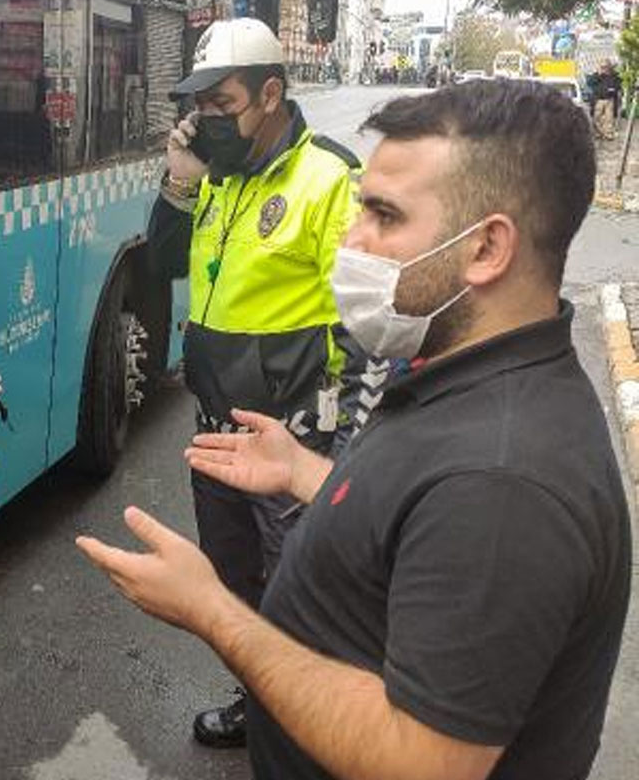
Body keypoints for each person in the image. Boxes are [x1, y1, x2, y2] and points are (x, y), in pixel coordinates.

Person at [80, 78, 629, 780]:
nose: (351, 239)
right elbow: (412, 525)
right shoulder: (457, 369)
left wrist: (215, 612)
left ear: (487, 249)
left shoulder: (501, 484)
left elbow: (420, 761)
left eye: (383, 216)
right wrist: (305, 472)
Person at [146, 17, 365, 748]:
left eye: (222, 104)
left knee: (298, 589)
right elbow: (163, 266)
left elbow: (369, 324)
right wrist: (178, 186)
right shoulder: (215, 177)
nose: (207, 120)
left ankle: (309, 729)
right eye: (198, 107)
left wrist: (347, 444)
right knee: (235, 579)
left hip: (289, 435)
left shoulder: (328, 178)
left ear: (271, 93)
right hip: (215, 427)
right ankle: (260, 699)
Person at [591, 60, 621, 140]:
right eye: (603, 67)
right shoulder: (596, 75)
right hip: (599, 99)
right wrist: (599, 75)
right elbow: (591, 83)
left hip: (609, 99)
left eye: (606, 66)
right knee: (597, 117)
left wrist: (613, 89)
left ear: (609, 67)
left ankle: (608, 134)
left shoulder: (614, 75)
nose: (605, 69)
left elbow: (618, 85)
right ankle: (598, 133)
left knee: (609, 118)